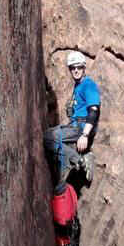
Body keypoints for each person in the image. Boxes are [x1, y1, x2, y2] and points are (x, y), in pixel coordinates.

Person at [44, 51, 101, 185]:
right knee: (52, 140)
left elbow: (93, 111)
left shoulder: (89, 85)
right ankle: (74, 161)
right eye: (72, 68)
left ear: (84, 67)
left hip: (81, 127)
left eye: (79, 67)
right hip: (75, 124)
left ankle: (81, 160)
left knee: (48, 137)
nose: (76, 70)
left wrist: (85, 135)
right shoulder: (78, 86)